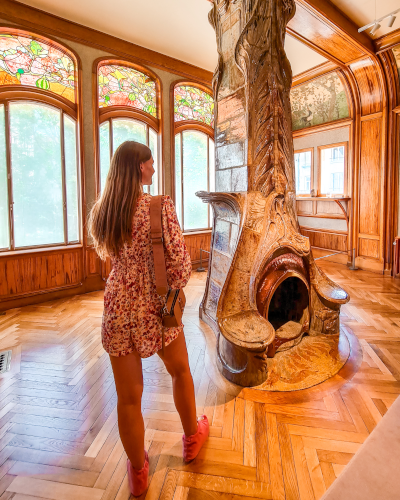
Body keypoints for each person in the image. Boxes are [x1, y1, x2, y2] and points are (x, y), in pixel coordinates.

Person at [89, 141, 209, 496]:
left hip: (118, 309)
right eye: (150, 162)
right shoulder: (158, 206)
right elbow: (182, 266)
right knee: (181, 371)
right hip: (156, 309)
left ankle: (138, 472)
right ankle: (191, 438)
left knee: (128, 399)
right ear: (139, 168)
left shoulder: (103, 211)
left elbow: (109, 258)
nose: (154, 168)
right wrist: (170, 284)